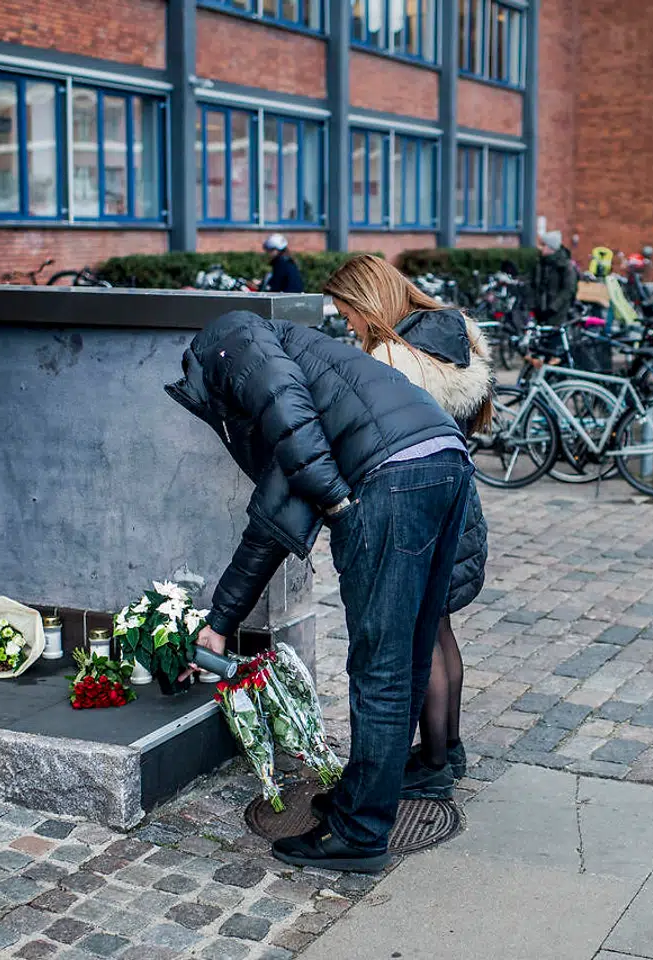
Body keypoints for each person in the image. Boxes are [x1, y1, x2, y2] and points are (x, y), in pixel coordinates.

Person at [165, 309, 472, 873]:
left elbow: (285, 412)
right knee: (402, 658)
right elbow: (272, 523)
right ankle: (364, 800)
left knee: (380, 667)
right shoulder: (317, 377)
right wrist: (221, 622)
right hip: (444, 459)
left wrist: (336, 500)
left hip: (391, 478)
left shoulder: (231, 335)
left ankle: (360, 836)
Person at [322, 254, 493, 801]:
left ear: (368, 301)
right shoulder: (453, 332)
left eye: (348, 312)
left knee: (426, 630)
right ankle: (450, 748)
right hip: (459, 494)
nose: (347, 324)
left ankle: (435, 763)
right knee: (439, 627)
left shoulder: (396, 358)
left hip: (419, 504)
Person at [532, 230, 578, 325]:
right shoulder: (540, 264)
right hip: (540, 312)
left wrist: (553, 307)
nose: (540, 248)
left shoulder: (565, 266)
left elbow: (568, 289)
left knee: (555, 337)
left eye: (543, 245)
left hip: (558, 314)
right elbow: (533, 284)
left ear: (551, 248)